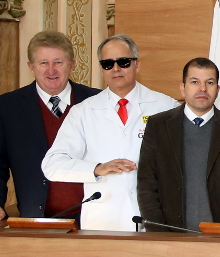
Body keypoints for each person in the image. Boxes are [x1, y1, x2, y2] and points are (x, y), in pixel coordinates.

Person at [41, 35, 178, 231]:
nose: (116, 69)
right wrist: (96, 168)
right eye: (107, 64)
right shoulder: (83, 112)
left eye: (123, 62)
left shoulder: (166, 106)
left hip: (155, 217)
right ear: (101, 69)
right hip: (103, 221)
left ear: (137, 65)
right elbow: (52, 165)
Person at [0, 31, 100, 220]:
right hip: (36, 218)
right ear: (31, 66)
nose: (51, 71)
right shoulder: (6, 107)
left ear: (72, 64)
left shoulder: (98, 101)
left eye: (58, 62)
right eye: (43, 63)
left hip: (96, 218)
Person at [137, 58, 220, 231]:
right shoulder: (158, 126)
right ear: (182, 88)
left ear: (218, 89)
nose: (203, 89)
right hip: (170, 236)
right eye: (195, 82)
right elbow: (146, 185)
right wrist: (159, 232)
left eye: (210, 82)